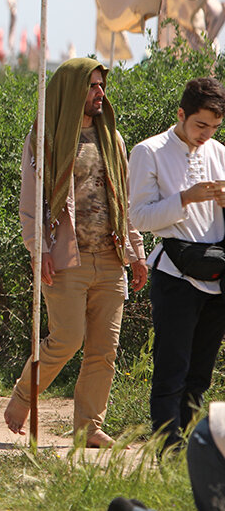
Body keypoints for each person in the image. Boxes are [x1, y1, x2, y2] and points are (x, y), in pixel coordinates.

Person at [3, 58, 147, 448]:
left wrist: (137, 253)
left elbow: (125, 200)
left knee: (104, 349)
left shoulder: (111, 139)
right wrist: (40, 250)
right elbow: (31, 204)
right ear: (71, 90)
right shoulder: (45, 137)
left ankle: (89, 427)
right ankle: (22, 398)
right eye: (92, 86)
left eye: (102, 86)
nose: (101, 93)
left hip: (111, 258)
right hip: (67, 259)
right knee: (66, 339)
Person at [129, 76, 225, 446]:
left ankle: (192, 453)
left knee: (200, 374)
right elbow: (138, 217)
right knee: (172, 371)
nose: (206, 134)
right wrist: (185, 197)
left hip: (217, 274)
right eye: (200, 124)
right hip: (176, 275)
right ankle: (166, 451)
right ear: (182, 114)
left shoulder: (219, 153)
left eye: (215, 127)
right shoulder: (149, 152)